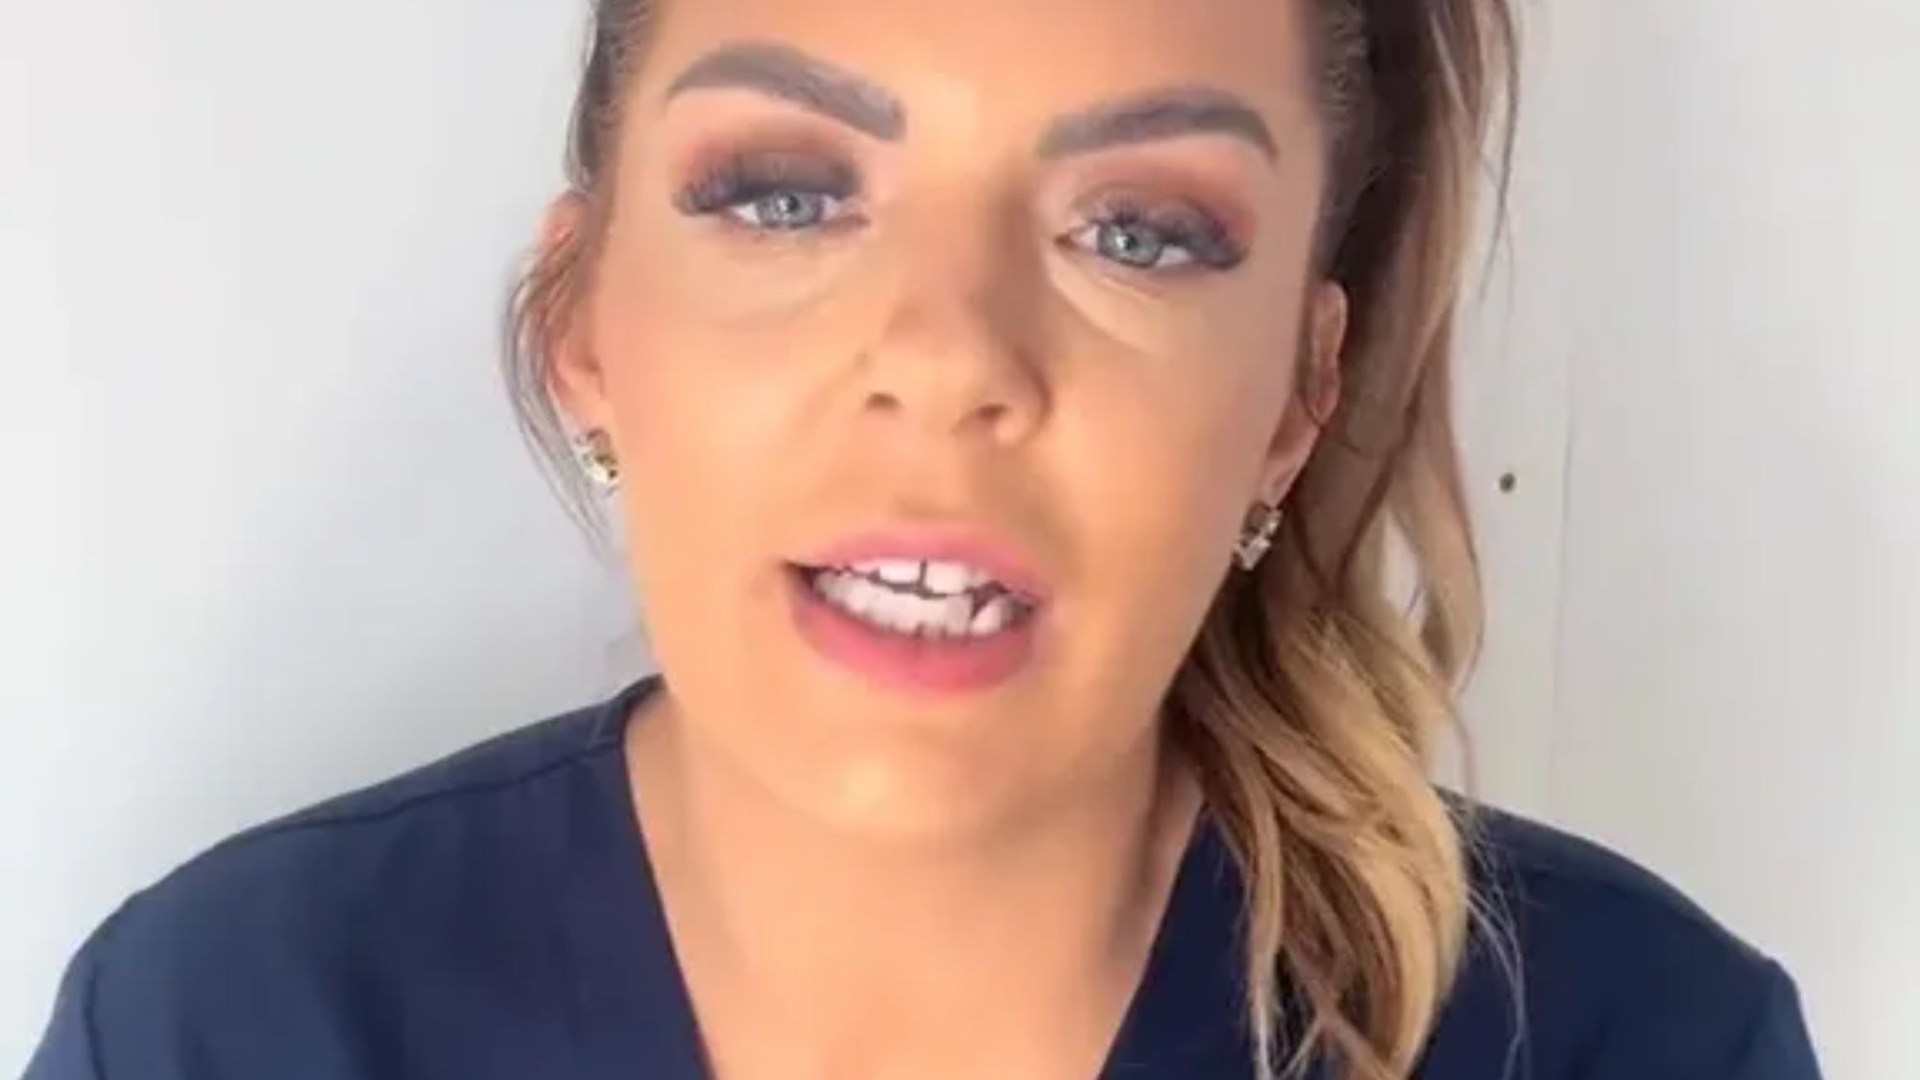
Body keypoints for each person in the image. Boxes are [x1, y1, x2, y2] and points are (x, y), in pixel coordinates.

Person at [23, 0, 1825, 1077]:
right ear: (586, 323)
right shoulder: (220, 1023)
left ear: (1298, 388)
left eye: (1140, 232)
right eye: (787, 196)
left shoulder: (1637, 1039)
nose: (952, 359)